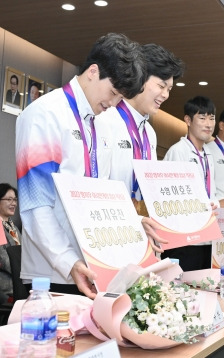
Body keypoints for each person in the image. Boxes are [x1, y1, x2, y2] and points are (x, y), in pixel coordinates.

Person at [15, 33, 149, 298]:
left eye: (121, 98)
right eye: (113, 93)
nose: (113, 104)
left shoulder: (103, 122)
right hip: (54, 271)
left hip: (97, 263)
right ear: (93, 71)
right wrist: (68, 261)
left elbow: (104, 193)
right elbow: (35, 203)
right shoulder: (45, 114)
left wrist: (134, 222)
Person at [99, 42, 184, 212]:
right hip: (109, 221)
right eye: (161, 86)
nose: (166, 95)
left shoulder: (149, 134)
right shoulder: (106, 119)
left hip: (140, 225)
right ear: (140, 76)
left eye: (169, 89)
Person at [162, 96, 219, 270]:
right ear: (187, 120)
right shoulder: (178, 151)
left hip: (205, 236)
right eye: (202, 118)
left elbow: (212, 191)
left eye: (212, 118)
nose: (208, 124)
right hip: (183, 240)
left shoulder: (208, 154)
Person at [0, 183, 21, 305]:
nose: (13, 203)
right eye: (9, 199)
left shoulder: (13, 227)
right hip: (7, 287)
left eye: (15, 200)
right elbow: (4, 260)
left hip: (19, 281)